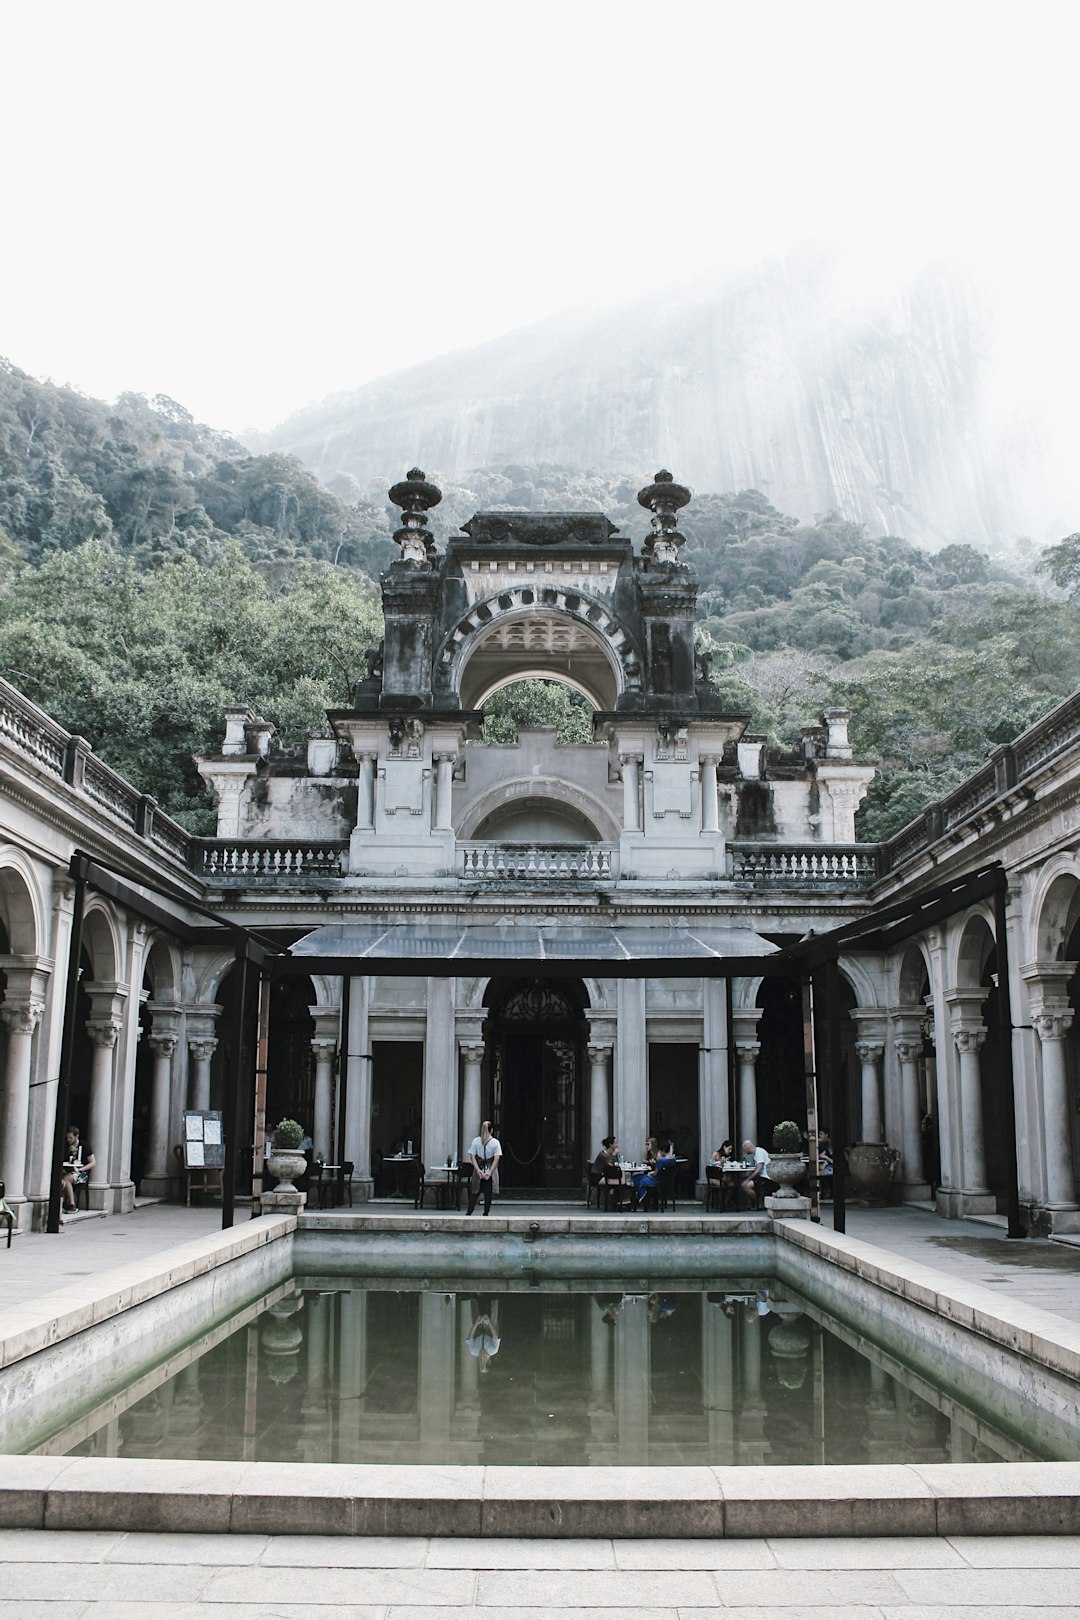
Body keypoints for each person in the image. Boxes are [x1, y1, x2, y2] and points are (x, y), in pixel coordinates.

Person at [467, 1119, 502, 1215]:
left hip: (479, 1168)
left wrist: (478, 1170)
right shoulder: (495, 1142)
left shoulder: (476, 1141)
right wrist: (490, 1172)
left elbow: (472, 1156)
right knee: (488, 1193)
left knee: (475, 1192)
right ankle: (486, 1213)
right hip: (489, 1170)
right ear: (491, 1131)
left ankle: (469, 1212)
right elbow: (496, 1158)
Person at [60, 1126, 94, 1214]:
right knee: (60, 1178)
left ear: (76, 1136)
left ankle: (72, 1204)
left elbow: (93, 1162)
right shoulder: (66, 1146)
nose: (68, 1140)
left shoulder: (84, 1146)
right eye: (67, 1138)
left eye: (71, 1138)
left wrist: (80, 1169)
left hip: (82, 1174)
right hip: (68, 1171)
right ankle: (63, 1202)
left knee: (66, 1179)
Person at [465, 1298, 501, 1372]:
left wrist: (476, 1323)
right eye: (484, 1362)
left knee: (474, 1302)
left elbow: (470, 1338)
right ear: (489, 1361)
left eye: (481, 1363)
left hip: (477, 1326)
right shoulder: (493, 1350)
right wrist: (489, 1321)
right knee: (493, 1304)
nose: (482, 1359)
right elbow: (495, 1336)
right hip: (490, 1326)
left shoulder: (474, 1351)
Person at [740, 1137, 772, 1207]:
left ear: (748, 1148)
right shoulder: (757, 1152)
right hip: (762, 1176)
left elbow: (759, 1169)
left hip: (766, 1177)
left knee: (745, 1185)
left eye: (744, 1150)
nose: (745, 1152)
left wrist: (748, 1179)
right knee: (744, 1182)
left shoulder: (759, 1153)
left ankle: (758, 1202)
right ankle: (752, 1204)